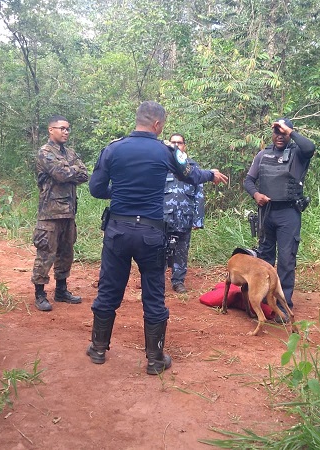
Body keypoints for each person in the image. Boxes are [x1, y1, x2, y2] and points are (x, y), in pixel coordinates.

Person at [86, 101, 228, 375]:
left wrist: (122, 192)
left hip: (118, 230)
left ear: (137, 119)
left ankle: (98, 349)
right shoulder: (166, 151)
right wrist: (211, 175)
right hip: (151, 234)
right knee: (153, 294)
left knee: (109, 289)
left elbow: (96, 189)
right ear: (157, 124)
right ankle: (155, 359)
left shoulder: (113, 149)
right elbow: (191, 176)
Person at [243, 118, 316, 320]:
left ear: (290, 133)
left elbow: (310, 147)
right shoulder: (262, 155)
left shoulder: (298, 154)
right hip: (267, 212)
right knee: (264, 260)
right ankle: (264, 303)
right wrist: (256, 195)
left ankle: (284, 306)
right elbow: (248, 180)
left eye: (283, 133)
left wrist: (289, 131)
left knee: (286, 260)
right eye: (276, 132)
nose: (280, 136)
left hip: (288, 213)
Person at [31, 115, 89, 312]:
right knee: (46, 253)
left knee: (66, 253)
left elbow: (84, 174)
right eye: (62, 128)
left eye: (67, 129)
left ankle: (61, 290)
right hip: (50, 213)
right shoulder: (45, 152)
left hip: (68, 213)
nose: (65, 132)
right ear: (51, 130)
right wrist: (72, 170)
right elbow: (61, 174)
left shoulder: (70, 152)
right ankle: (40, 294)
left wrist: (70, 170)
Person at [163, 133, 205, 294]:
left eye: (179, 143)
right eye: (173, 142)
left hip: (184, 216)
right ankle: (156, 281)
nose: (176, 145)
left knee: (181, 250)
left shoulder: (192, 167)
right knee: (159, 248)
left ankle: (178, 281)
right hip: (162, 216)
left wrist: (198, 220)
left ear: (184, 146)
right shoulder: (162, 165)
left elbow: (199, 195)